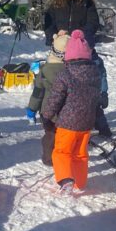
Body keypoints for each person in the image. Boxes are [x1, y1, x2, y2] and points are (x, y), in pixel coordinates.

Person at [44, 0, 111, 137]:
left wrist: (78, 35)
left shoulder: (87, 3)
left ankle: (102, 125)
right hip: (61, 50)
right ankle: (57, 124)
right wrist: (54, 35)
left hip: (82, 49)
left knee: (87, 88)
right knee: (61, 88)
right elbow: (48, 24)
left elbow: (93, 24)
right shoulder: (57, 4)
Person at [42, 30, 101, 195]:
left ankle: (66, 179)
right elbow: (98, 96)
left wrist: (46, 116)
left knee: (62, 152)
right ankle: (80, 182)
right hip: (87, 123)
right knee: (80, 154)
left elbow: (55, 99)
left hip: (67, 123)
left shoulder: (65, 74)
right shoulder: (95, 73)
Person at [27, 33, 70, 166]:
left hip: (47, 112)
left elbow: (38, 92)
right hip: (67, 111)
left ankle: (49, 158)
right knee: (64, 136)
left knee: (50, 135)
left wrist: (31, 109)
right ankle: (64, 156)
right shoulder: (73, 70)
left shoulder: (45, 70)